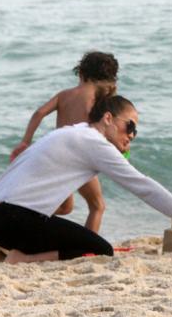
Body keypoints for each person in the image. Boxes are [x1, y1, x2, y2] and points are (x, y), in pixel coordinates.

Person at [0, 95, 172, 264]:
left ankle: (8, 250)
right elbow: (142, 185)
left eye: (136, 131)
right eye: (129, 126)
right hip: (12, 220)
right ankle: (22, 259)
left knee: (84, 241)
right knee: (99, 248)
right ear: (108, 118)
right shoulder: (94, 142)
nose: (131, 135)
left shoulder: (74, 132)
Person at [9, 51, 119, 233]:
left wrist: (25, 142)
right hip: (79, 158)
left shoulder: (64, 95)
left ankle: (22, 220)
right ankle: (88, 246)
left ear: (81, 73)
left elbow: (39, 113)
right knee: (97, 206)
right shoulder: (100, 101)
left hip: (56, 155)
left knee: (65, 207)